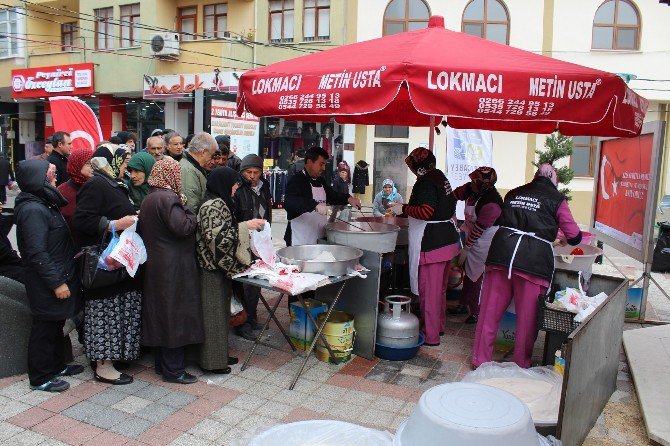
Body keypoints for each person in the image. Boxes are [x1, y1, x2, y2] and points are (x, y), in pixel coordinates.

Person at [472, 163, 583, 369]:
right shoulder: (557, 200)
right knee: (527, 318)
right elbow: (575, 236)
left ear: (535, 176)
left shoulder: (514, 193)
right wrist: (560, 239)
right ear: (555, 180)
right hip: (533, 262)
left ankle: (480, 359)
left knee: (489, 311)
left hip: (502, 254)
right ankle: (521, 363)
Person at [72, 146, 141, 385]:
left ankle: (114, 357)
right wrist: (114, 224)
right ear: (111, 161)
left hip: (117, 263)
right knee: (105, 312)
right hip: (104, 264)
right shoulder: (96, 184)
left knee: (118, 309)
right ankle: (103, 365)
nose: (127, 168)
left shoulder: (112, 182)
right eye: (124, 162)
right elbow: (81, 220)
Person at [15, 159, 83, 392]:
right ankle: (40, 377)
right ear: (39, 179)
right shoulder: (33, 209)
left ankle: (56, 366)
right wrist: (57, 283)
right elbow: (37, 253)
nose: (56, 178)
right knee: (44, 328)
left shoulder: (44, 202)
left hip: (57, 275)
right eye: (51, 174)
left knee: (55, 324)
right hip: (46, 281)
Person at [139, 158, 204, 384]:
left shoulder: (149, 198)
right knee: (173, 317)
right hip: (173, 268)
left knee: (161, 314)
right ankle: (174, 370)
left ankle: (162, 365)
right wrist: (189, 209)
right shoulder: (169, 199)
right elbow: (184, 227)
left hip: (157, 265)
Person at [387, 148, 460, 346]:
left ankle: (431, 335)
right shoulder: (439, 176)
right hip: (447, 241)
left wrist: (402, 208)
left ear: (419, 167)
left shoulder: (426, 182)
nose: (410, 169)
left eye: (412, 166)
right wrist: (404, 210)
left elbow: (426, 211)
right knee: (440, 292)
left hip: (432, 243)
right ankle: (439, 327)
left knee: (430, 294)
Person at [197, 167, 264, 371]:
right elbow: (217, 240)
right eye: (234, 184)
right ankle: (212, 363)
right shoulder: (212, 206)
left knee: (221, 316)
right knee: (213, 318)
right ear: (224, 183)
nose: (236, 188)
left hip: (217, 268)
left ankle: (220, 357)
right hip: (211, 270)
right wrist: (245, 227)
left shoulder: (219, 202)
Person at [450, 167, 503, 324]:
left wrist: (466, 248)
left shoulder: (492, 203)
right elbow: (452, 196)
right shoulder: (471, 189)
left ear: (484, 184)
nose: (470, 183)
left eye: (475, 181)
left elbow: (479, 229)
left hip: (486, 240)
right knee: (468, 272)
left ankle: (476, 312)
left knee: (476, 277)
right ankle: (463, 304)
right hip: (471, 233)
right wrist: (451, 214)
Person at [284, 146, 360, 246]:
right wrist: (314, 205)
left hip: (319, 237)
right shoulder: (296, 181)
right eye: (321, 164)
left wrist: (348, 198)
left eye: (324, 164)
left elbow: (332, 195)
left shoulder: (320, 181)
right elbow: (290, 203)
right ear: (310, 162)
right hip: (300, 240)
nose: (323, 168)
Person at [233, 154, 272, 341]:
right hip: (244, 238)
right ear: (242, 172)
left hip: (261, 237)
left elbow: (268, 208)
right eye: (248, 172)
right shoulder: (238, 190)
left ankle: (252, 315)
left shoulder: (265, 186)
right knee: (245, 283)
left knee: (257, 281)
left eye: (256, 172)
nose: (252, 176)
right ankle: (243, 322)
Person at [57, 146, 94, 232]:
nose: (93, 167)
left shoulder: (97, 186)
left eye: (94, 163)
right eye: (88, 163)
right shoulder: (62, 191)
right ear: (77, 164)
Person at [180, 132, 217, 213]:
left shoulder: (193, 166)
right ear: (203, 152)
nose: (213, 160)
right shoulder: (188, 170)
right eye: (212, 155)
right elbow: (191, 206)